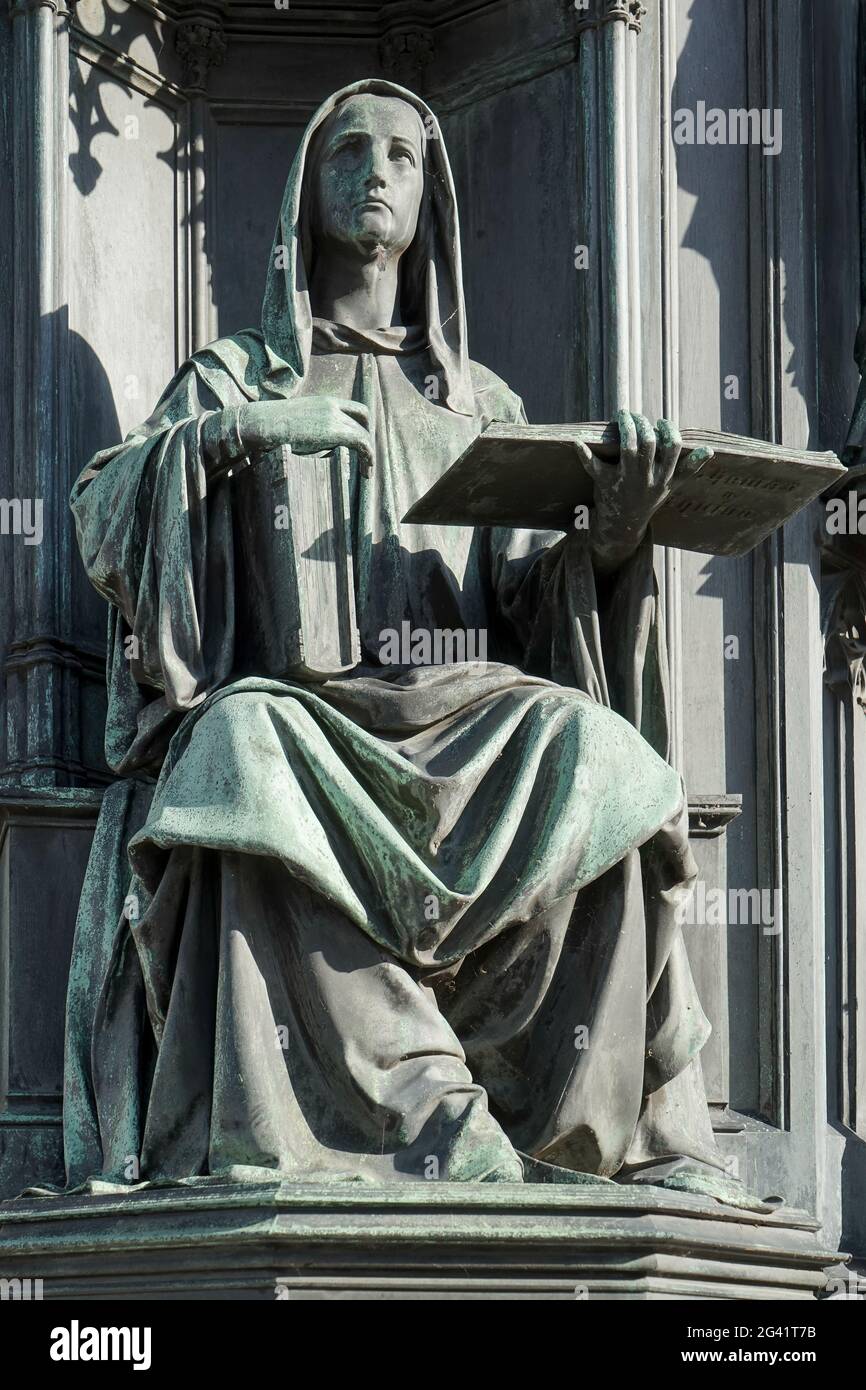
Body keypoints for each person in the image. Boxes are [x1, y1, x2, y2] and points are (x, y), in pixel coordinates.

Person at [63, 78, 752, 1204]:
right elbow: (102, 506)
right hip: (305, 709)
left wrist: (611, 544)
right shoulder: (236, 374)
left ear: (428, 201)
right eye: (346, 151)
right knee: (235, 749)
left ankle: (590, 1131)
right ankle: (428, 1118)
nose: (374, 172)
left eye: (398, 156)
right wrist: (232, 436)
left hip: (460, 708)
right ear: (301, 193)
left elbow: (528, 605)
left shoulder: (478, 401)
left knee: (609, 756)